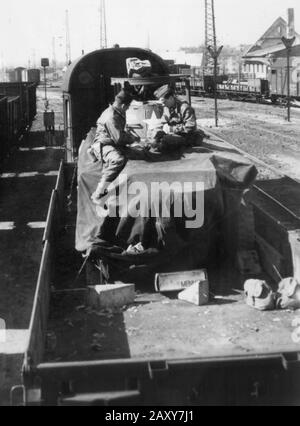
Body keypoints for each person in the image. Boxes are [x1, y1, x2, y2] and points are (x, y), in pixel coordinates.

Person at [89, 89, 139, 203]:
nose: (127, 109)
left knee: (138, 153)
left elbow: (120, 133)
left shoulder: (117, 111)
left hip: (113, 142)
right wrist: (133, 139)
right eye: (127, 107)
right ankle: (98, 193)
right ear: (123, 105)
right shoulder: (111, 117)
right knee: (118, 160)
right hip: (104, 144)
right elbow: (119, 138)